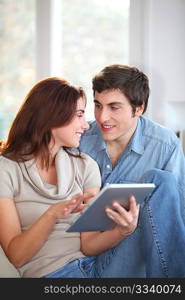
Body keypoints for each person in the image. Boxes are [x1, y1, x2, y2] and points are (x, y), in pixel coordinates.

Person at [0, 77, 185, 278]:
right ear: (52, 116)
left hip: (98, 267)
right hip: (56, 275)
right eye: (79, 115)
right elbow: (17, 257)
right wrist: (52, 214)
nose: (87, 125)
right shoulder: (7, 170)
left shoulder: (84, 164)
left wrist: (123, 231)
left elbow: (88, 245)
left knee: (160, 181)